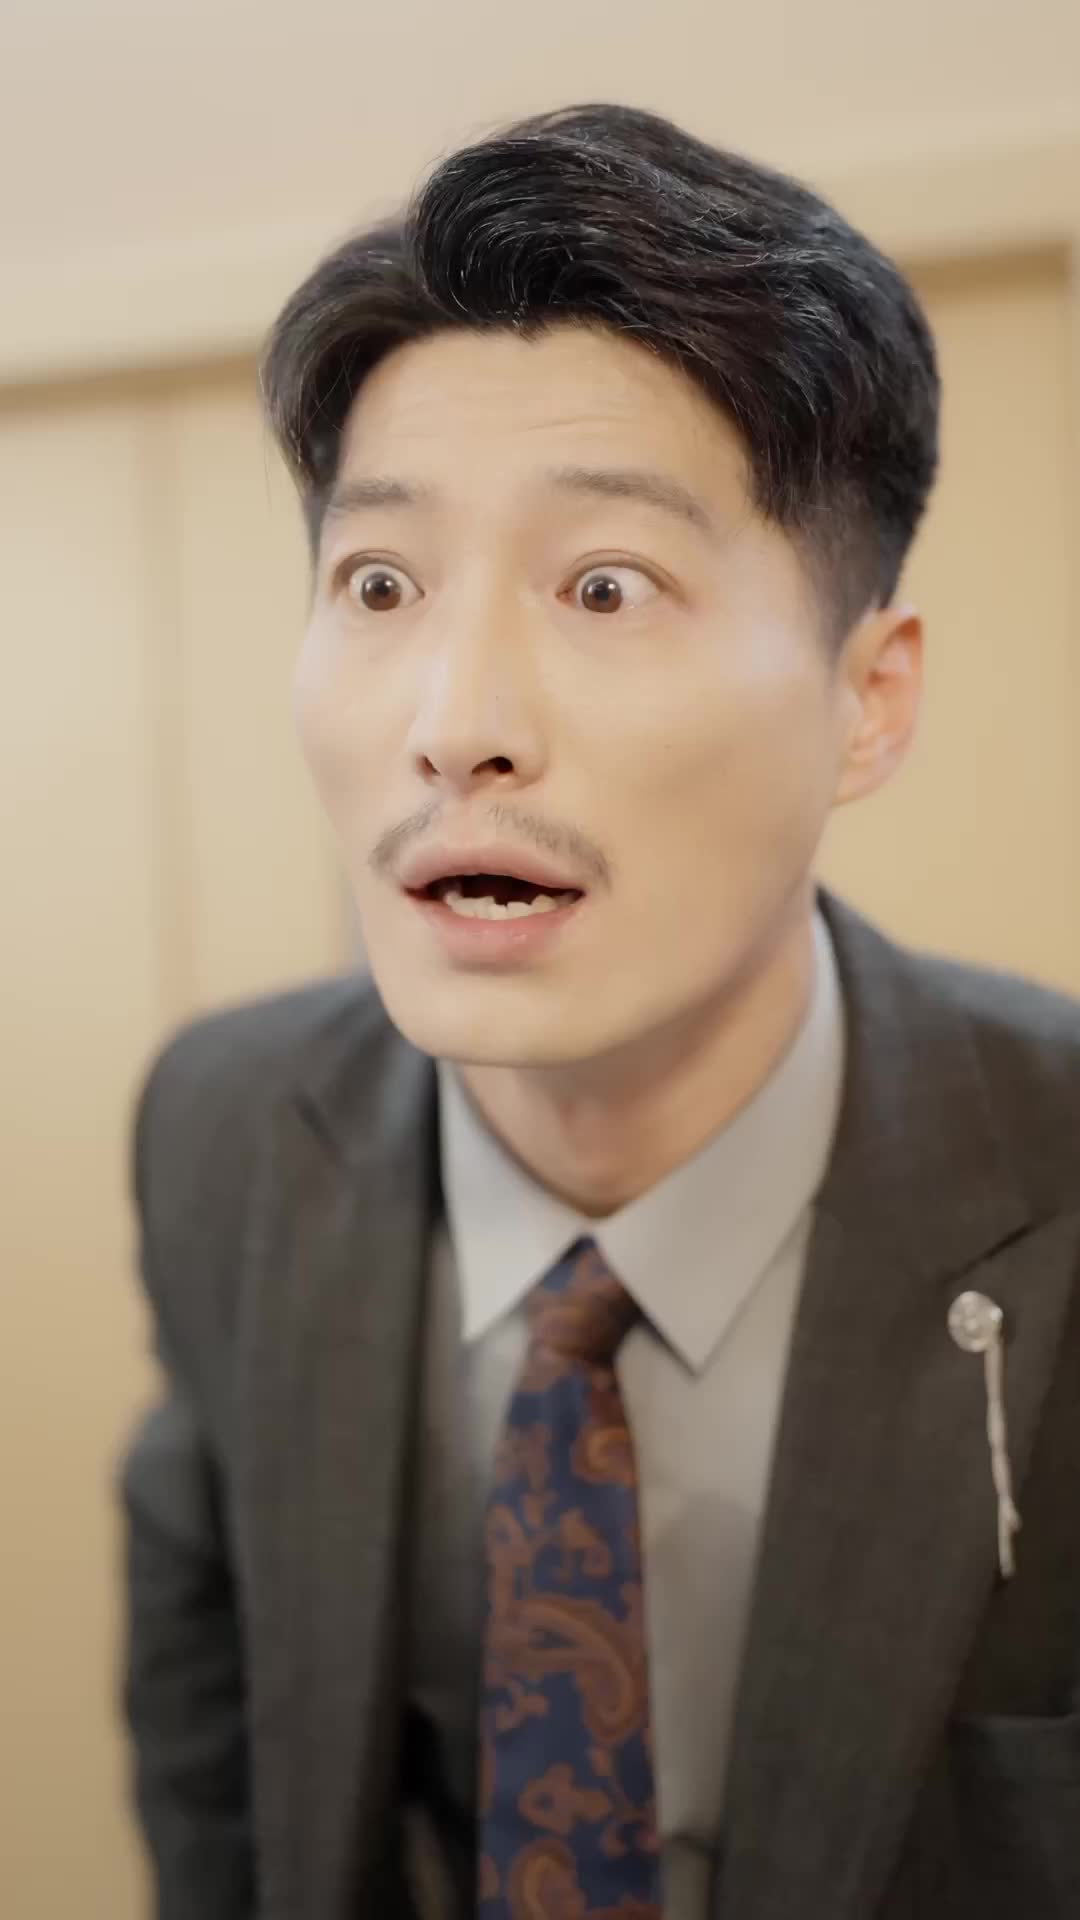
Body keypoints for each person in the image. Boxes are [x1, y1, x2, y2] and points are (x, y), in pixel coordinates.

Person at [118, 102, 1080, 1920]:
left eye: (604, 586)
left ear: (867, 703)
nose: (456, 721)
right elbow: (215, 1747)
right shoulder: (223, 1131)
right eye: (380, 584)